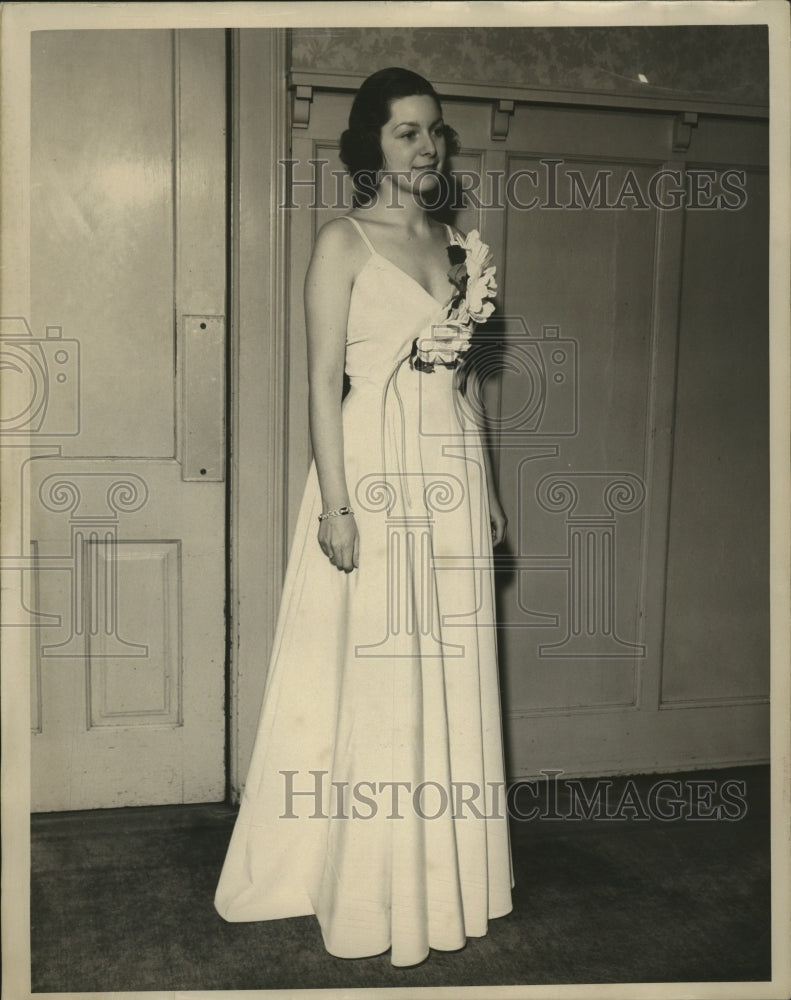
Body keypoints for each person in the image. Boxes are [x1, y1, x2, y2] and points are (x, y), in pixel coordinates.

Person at [215, 66, 514, 968]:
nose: (427, 147)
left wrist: (488, 489)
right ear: (370, 145)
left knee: (448, 659)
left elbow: (461, 383)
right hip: (373, 471)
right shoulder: (342, 241)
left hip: (450, 470)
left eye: (435, 131)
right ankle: (369, 889)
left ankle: (443, 880)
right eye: (406, 132)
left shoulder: (455, 244)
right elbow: (320, 384)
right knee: (382, 669)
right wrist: (337, 507)